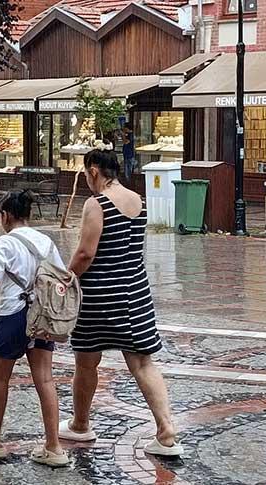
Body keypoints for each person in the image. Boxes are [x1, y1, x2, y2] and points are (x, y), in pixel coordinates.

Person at [59, 148, 182, 457]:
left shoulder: (96, 203)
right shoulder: (136, 199)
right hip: (136, 291)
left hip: (101, 294)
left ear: (94, 171)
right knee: (142, 362)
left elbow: (87, 253)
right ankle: (166, 431)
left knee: (86, 361)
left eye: (87, 173)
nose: (87, 179)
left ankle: (80, 424)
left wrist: (66, 277)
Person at [0, 190, 70, 467]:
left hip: (13, 315)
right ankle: (54, 447)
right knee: (45, 380)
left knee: (0, 379)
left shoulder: (4, 243)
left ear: (6, 215)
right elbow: (61, 279)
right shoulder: (46, 242)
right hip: (43, 318)